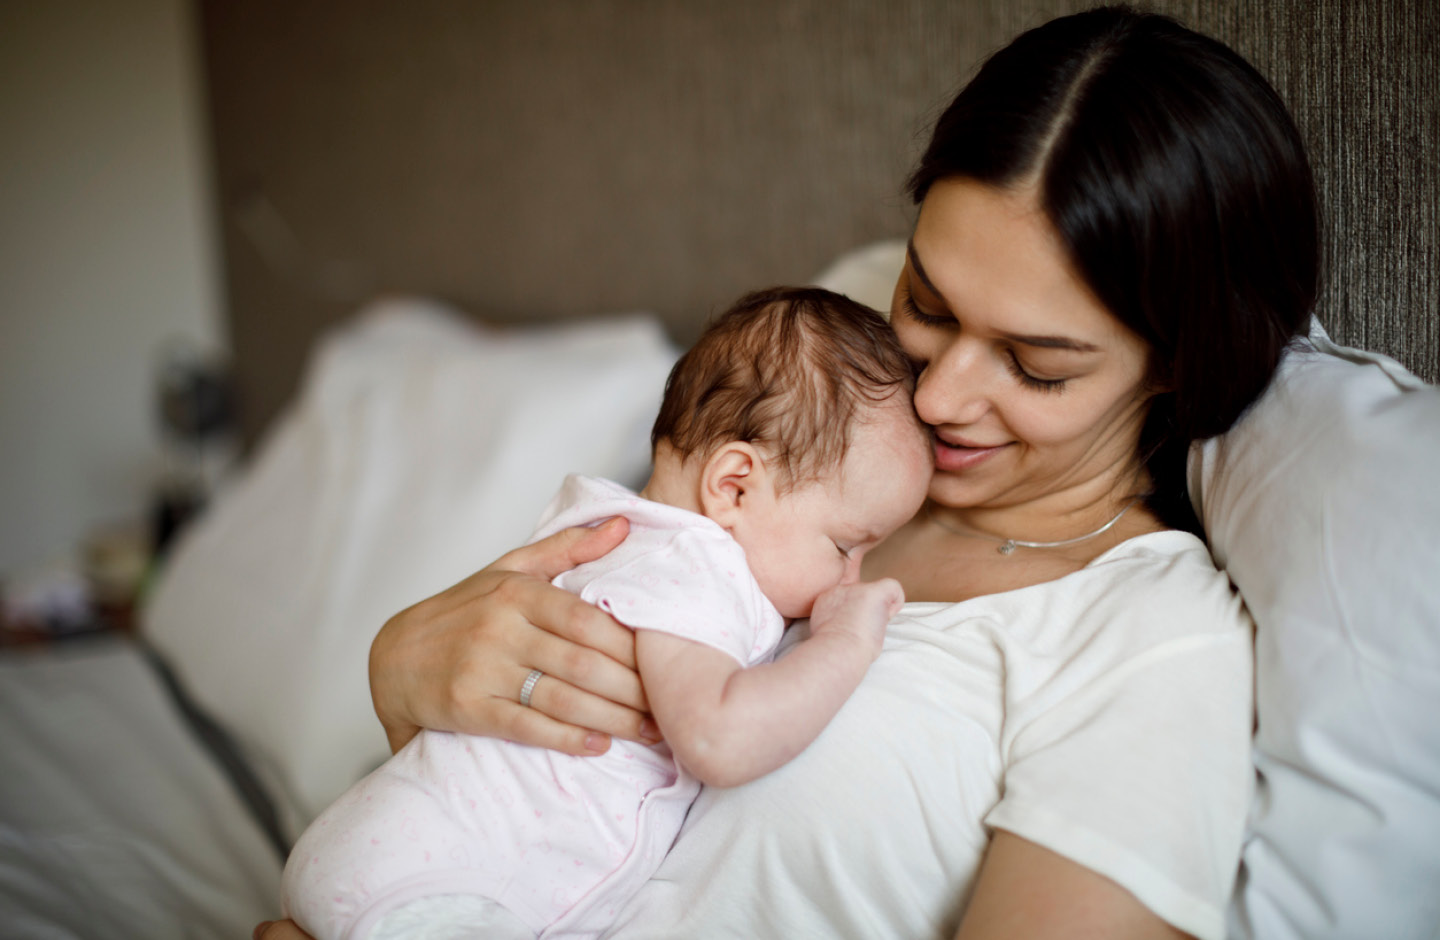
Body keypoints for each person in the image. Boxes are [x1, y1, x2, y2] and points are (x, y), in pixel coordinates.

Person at [257, 6, 1319, 939]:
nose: (939, 394)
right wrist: (404, 670)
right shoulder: (815, 430)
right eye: (929, 305)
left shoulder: (1146, 640)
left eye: (1035, 366)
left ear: (1175, 364)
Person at [278, 287, 934, 940]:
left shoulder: (611, 529)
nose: (853, 575)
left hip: (396, 853)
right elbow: (719, 738)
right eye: (845, 546)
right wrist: (847, 640)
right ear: (734, 485)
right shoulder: (695, 567)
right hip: (453, 884)